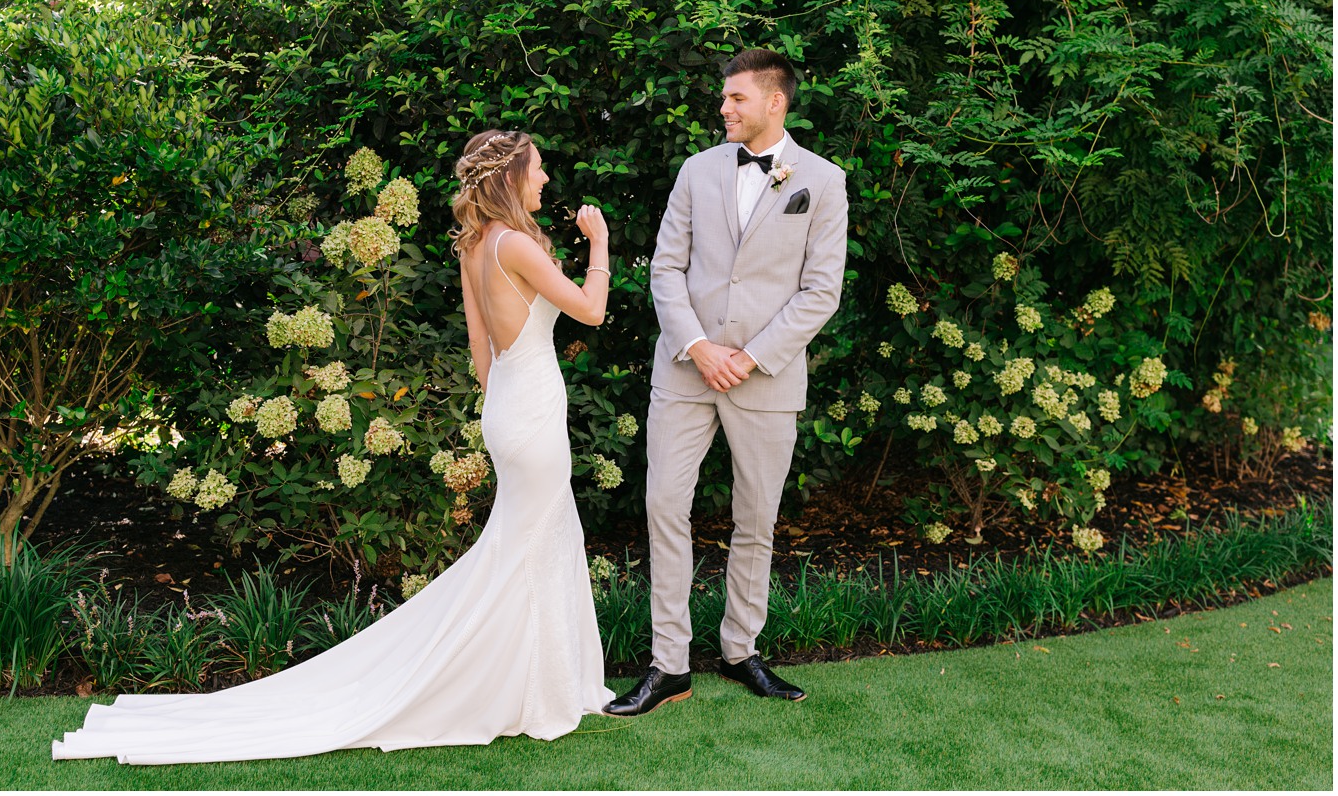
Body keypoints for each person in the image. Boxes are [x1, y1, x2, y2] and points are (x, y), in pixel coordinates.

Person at [53, 129, 615, 764]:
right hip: (533, 408)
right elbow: (592, 311)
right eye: (538, 170)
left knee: (526, 545)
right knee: (529, 547)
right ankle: (527, 692)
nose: (544, 179)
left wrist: (511, 399)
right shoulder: (514, 244)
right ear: (512, 179)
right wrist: (597, 243)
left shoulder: (477, 245)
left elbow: (481, 355)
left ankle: (536, 686)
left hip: (509, 405)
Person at [605, 49, 848, 716]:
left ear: (776, 102)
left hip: (765, 379)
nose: (724, 108)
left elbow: (821, 291)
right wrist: (698, 346)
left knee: (757, 518)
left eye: (736, 97)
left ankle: (742, 650)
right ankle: (669, 665)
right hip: (686, 368)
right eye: (724, 97)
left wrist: (749, 357)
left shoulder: (823, 182)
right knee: (663, 506)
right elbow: (665, 270)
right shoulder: (696, 170)